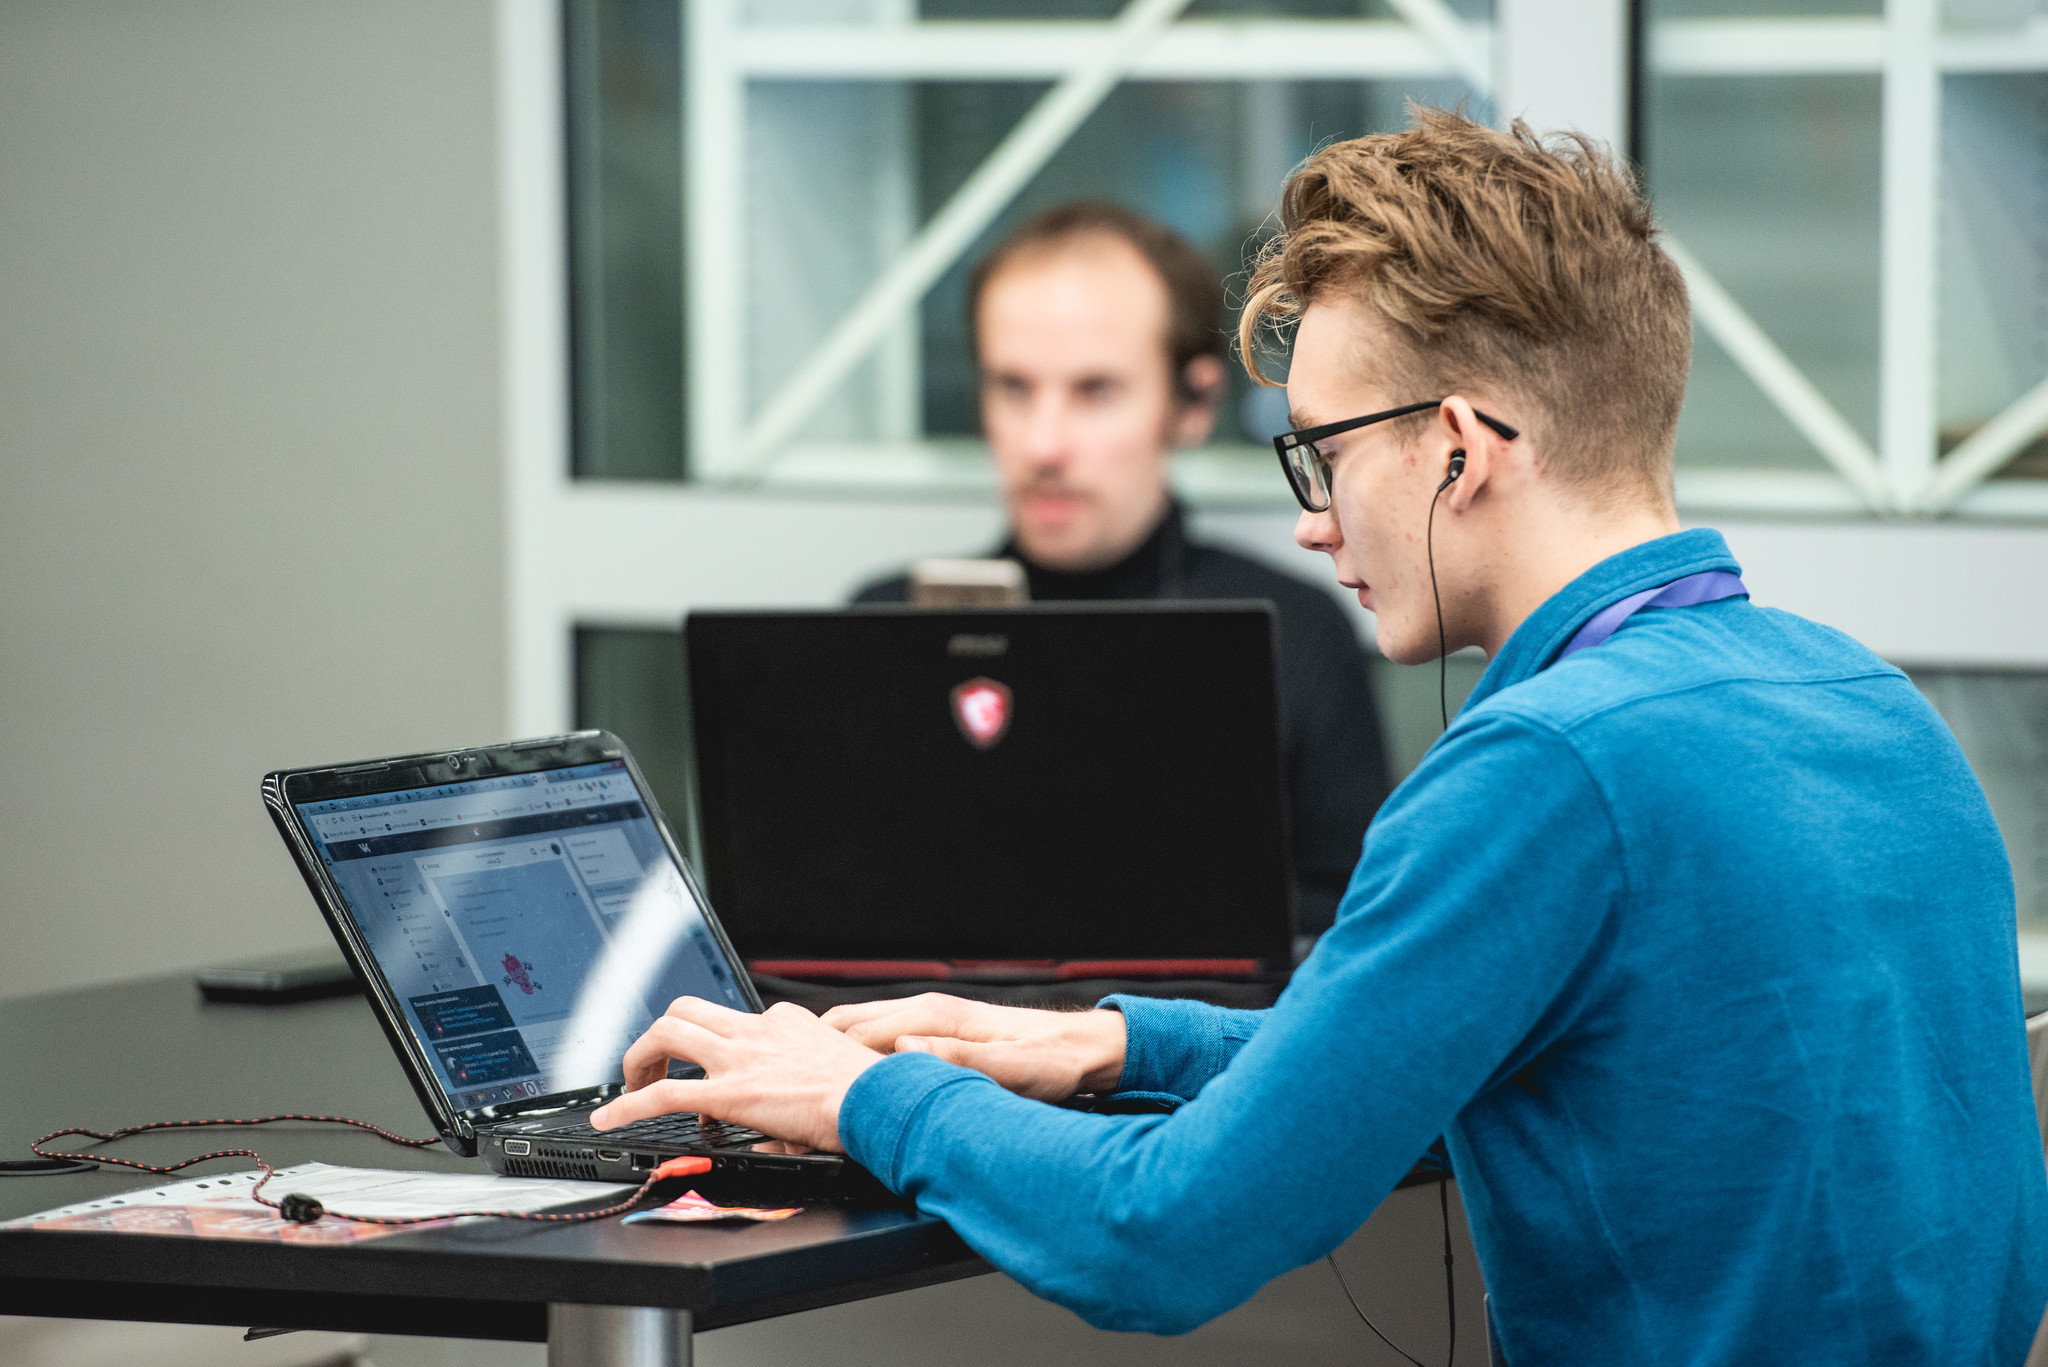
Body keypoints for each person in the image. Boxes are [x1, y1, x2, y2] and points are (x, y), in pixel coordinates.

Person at [599, 110, 2048, 1362]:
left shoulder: (1546, 769)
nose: (1312, 519)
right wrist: (1109, 1043)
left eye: (1325, 453)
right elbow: (1415, 1050)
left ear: (1458, 447)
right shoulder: (1866, 702)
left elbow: (1165, 1231)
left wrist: (867, 1093)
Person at [853, 201, 1390, 938]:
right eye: (1013, 388)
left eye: (1095, 391)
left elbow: (1351, 926)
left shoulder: (1291, 635)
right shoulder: (884, 630)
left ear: (1193, 404)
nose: (1043, 445)